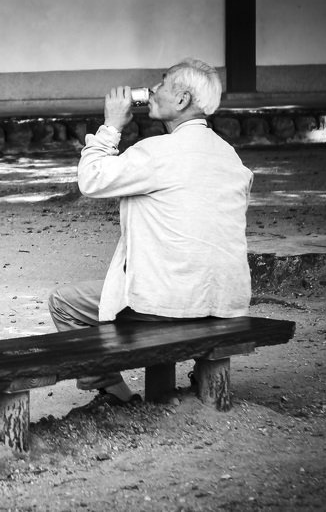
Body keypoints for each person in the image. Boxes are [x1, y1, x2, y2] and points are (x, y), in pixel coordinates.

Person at [48, 58, 254, 407]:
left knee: (64, 303)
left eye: (162, 84)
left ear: (183, 99)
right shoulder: (231, 157)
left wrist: (111, 126)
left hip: (166, 305)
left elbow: (91, 178)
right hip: (226, 302)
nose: (153, 91)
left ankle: (112, 389)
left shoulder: (156, 152)